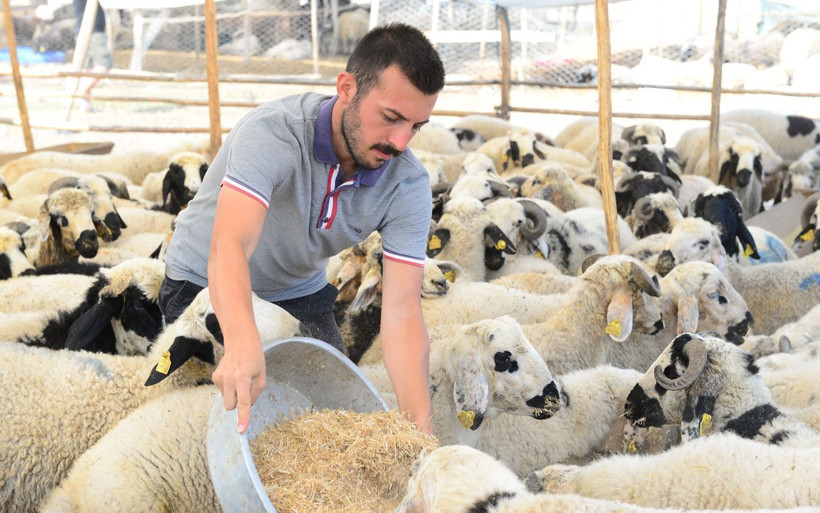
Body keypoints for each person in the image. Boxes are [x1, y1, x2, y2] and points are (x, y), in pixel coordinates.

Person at [158, 23, 445, 436]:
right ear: (346, 87)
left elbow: (401, 312)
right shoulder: (273, 132)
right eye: (391, 118)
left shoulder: (407, 183)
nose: (401, 141)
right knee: (221, 424)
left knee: (333, 416)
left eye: (416, 126)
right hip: (203, 281)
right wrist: (241, 343)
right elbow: (230, 247)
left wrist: (422, 437)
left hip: (298, 290)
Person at [73, 0, 113, 111]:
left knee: (88, 69)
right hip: (92, 33)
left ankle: (86, 105)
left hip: (89, 32)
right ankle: (81, 92)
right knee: (104, 65)